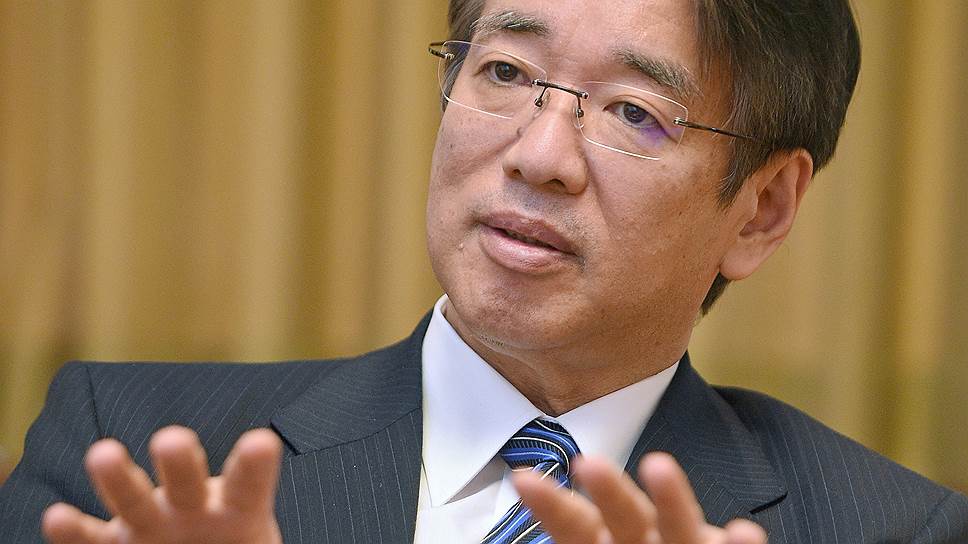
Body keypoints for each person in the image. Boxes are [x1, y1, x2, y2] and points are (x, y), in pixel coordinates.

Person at [2, 0, 967, 542]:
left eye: (634, 113)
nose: (540, 155)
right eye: (505, 73)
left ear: (761, 210)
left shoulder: (894, 531)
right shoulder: (131, 458)